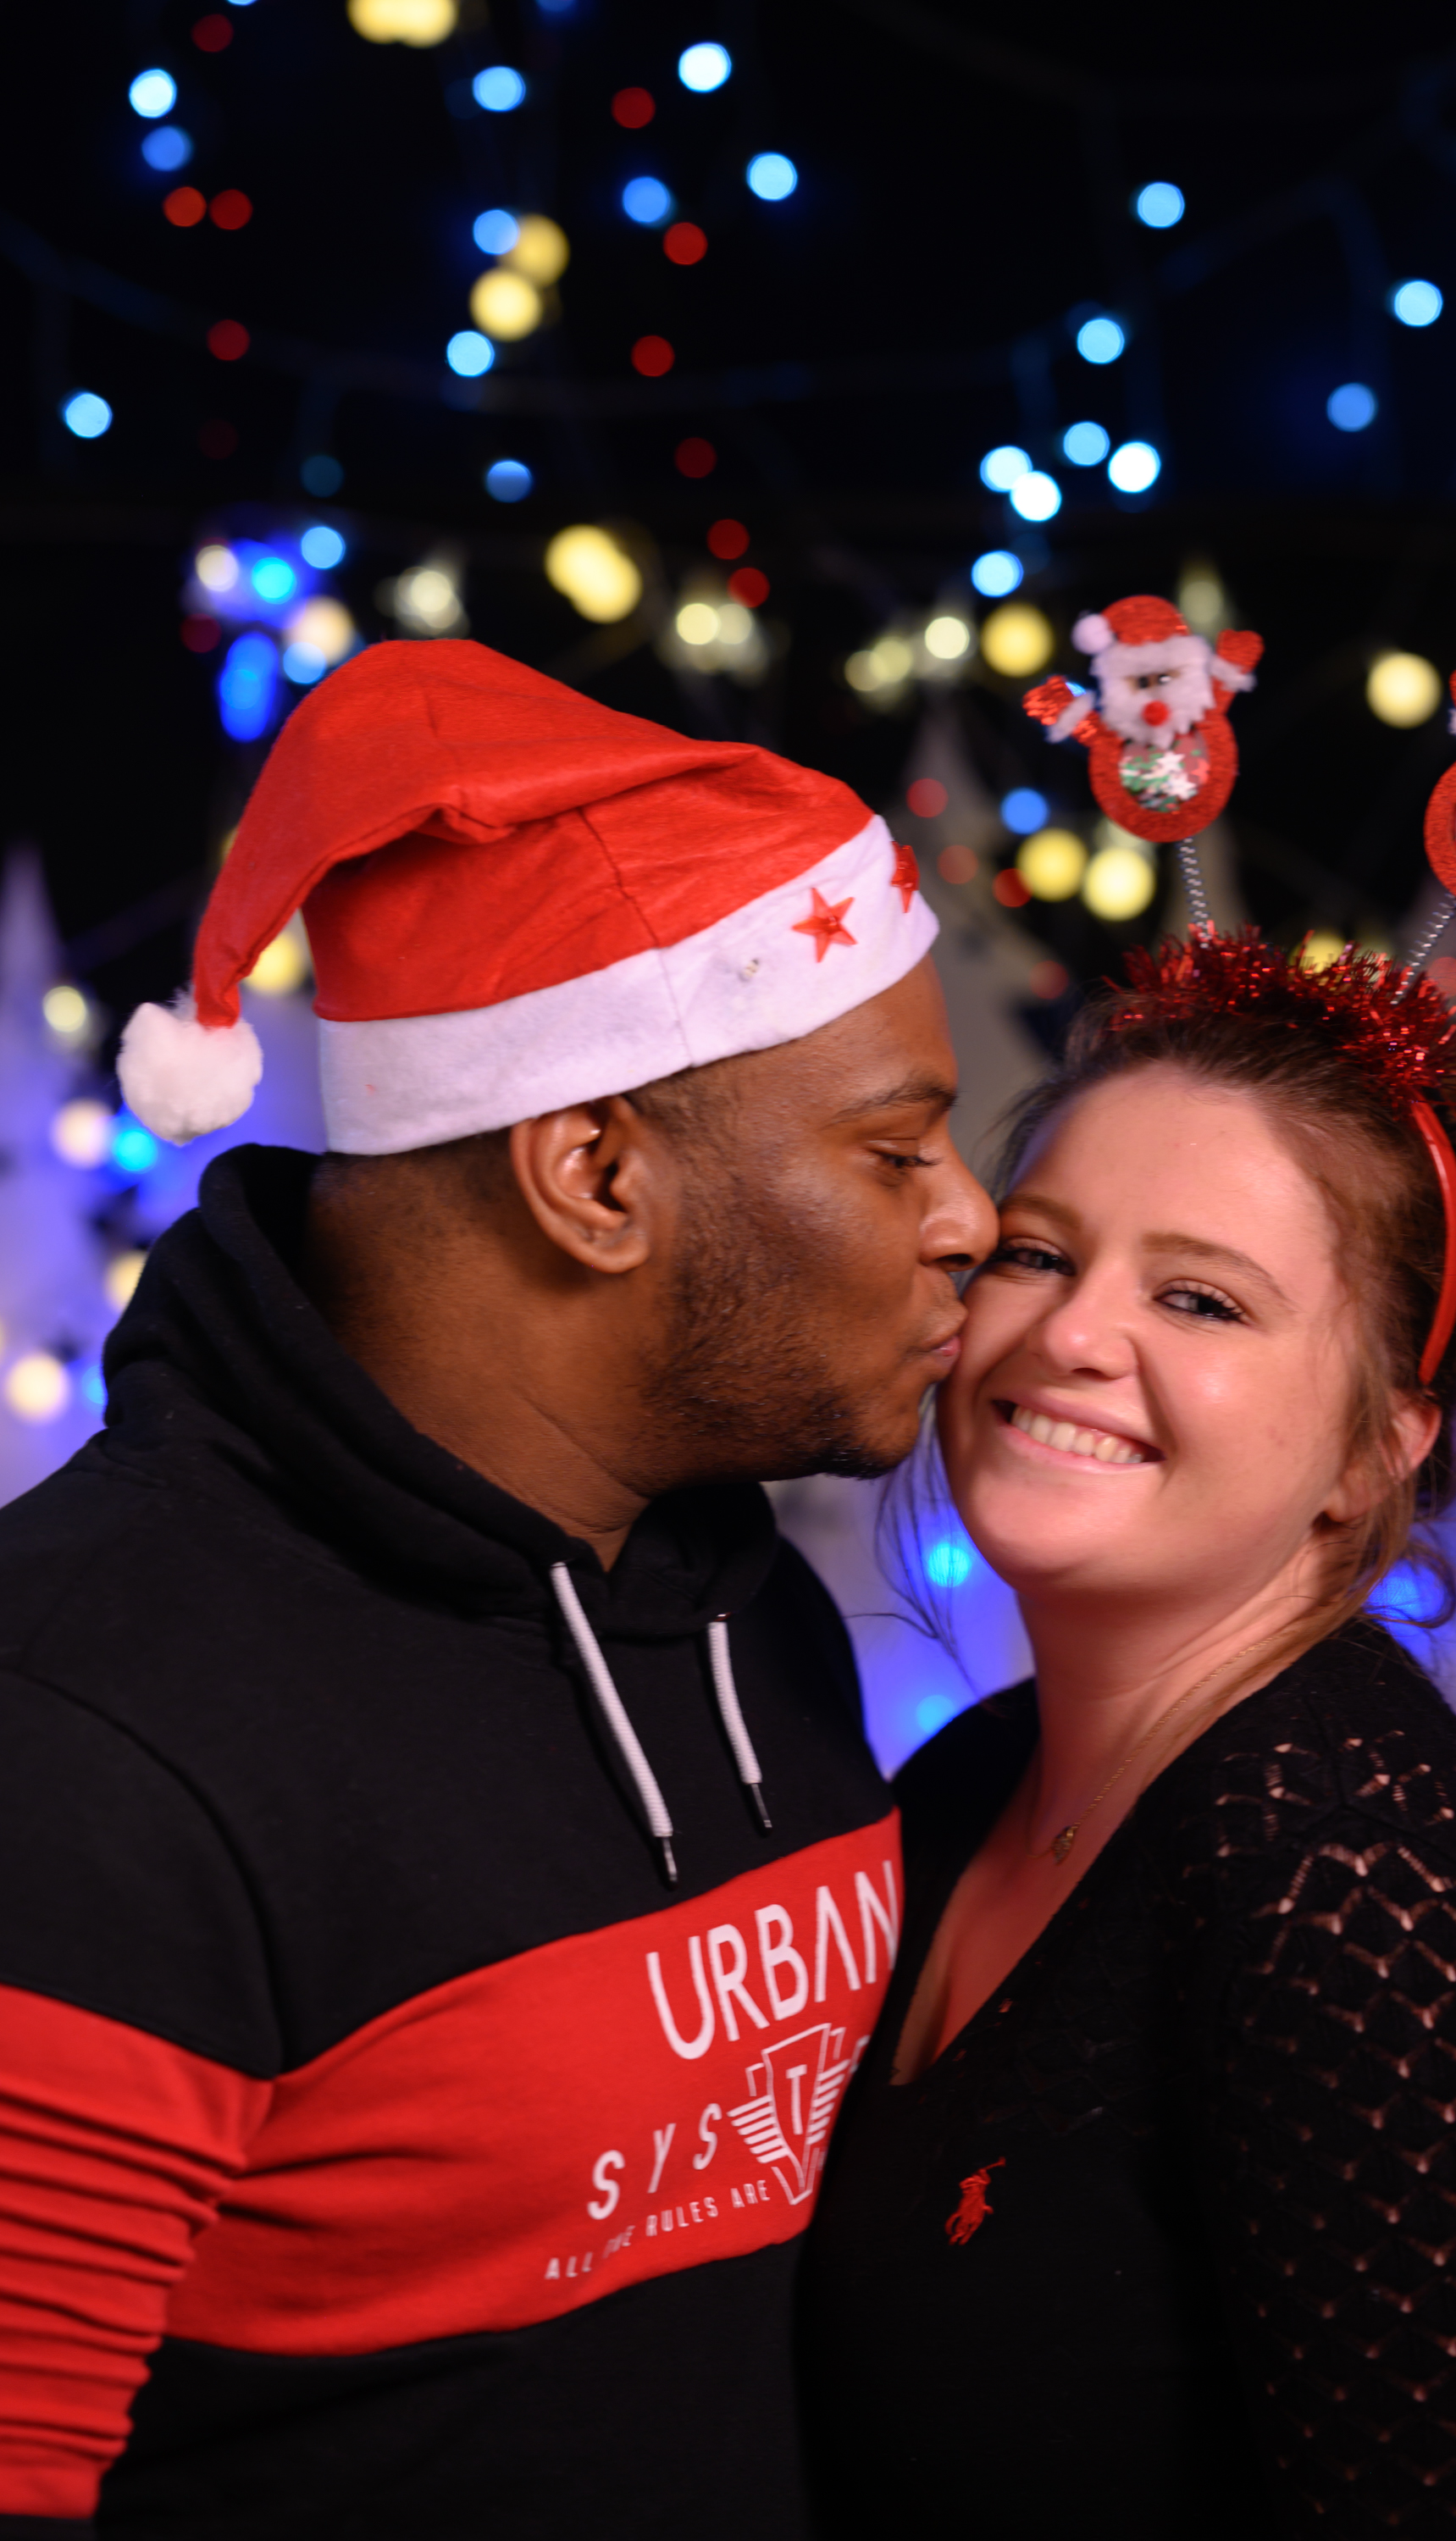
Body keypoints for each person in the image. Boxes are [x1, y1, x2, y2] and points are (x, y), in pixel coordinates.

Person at [0, 639, 994, 2539]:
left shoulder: (738, 1602)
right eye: (893, 1150)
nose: (969, 1218)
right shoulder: (85, 1748)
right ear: (595, 1176)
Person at [803, 932, 1456, 2538]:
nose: (1069, 1335)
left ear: (1376, 1448)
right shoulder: (967, 1780)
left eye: (1199, 1298)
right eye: (1038, 1253)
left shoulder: (1363, 1885)